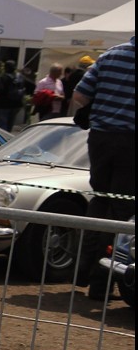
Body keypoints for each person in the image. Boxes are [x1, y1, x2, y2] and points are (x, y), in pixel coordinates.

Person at [69, 38, 135, 301]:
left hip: (100, 138)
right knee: (121, 212)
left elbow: (80, 95)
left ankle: (82, 273)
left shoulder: (110, 55)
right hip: (131, 143)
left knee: (99, 202)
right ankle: (101, 283)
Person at [0, 59, 27, 130]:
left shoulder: (4, 77)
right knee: (9, 125)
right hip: (16, 105)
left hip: (2, 105)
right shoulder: (20, 77)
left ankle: (1, 137)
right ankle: (7, 136)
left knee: (0, 126)